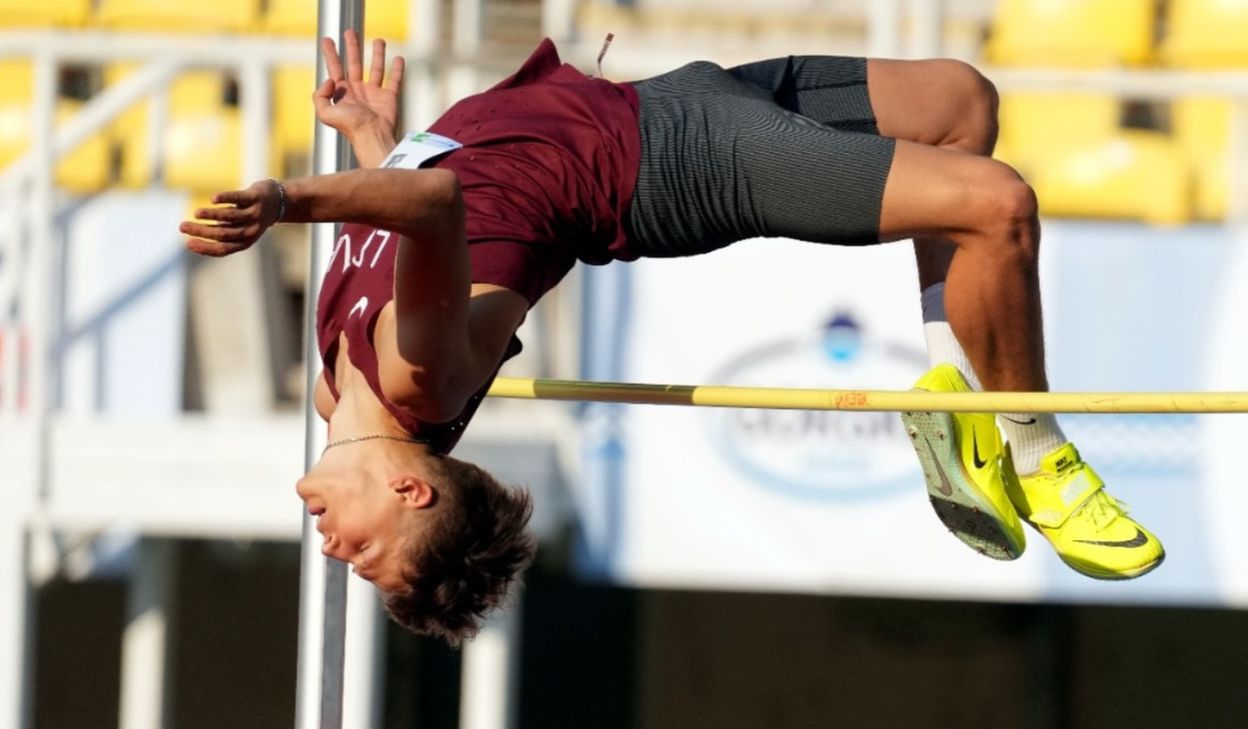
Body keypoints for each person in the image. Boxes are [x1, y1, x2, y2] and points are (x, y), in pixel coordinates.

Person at [181, 31, 1163, 643]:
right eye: (367, 554)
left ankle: (957, 398)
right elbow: (432, 206)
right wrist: (283, 197)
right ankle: (1038, 452)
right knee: (996, 207)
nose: (334, 548)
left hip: (656, 103)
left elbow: (424, 194)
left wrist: (373, 140)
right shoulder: (419, 378)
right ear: (411, 487)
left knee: (958, 105)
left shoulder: (333, 382)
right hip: (664, 166)